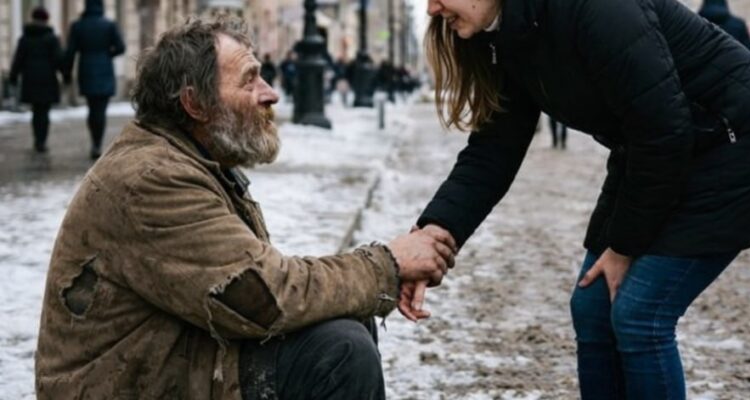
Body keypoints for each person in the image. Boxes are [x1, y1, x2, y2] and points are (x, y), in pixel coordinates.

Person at [410, 0, 750, 399]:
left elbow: (663, 131)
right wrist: (433, 232)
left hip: (736, 146)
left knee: (640, 314)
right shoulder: (507, 34)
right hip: (660, 153)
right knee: (592, 307)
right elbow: (493, 153)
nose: (431, 8)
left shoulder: (596, 8)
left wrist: (623, 246)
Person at [35, 18, 453, 400]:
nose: (270, 93)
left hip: (163, 361)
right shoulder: (150, 178)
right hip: (119, 385)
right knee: (339, 352)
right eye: (250, 79)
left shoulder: (189, 158)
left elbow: (256, 287)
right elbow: (267, 296)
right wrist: (388, 265)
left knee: (346, 322)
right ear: (195, 103)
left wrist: (374, 277)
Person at [64, 0, 125, 160]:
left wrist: (66, 74)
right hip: (105, 69)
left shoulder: (78, 26)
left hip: (86, 69)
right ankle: (97, 142)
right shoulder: (109, 25)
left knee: (92, 108)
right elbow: (121, 47)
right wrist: (107, 55)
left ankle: (95, 141)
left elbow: (70, 52)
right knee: (101, 109)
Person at [8, 6, 66, 153]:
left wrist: (13, 76)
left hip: (30, 79)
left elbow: (18, 60)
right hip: (47, 80)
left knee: (35, 112)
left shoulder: (25, 38)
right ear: (46, 20)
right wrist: (66, 74)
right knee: (44, 112)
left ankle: (37, 139)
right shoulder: (51, 39)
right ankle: (42, 140)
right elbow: (58, 60)